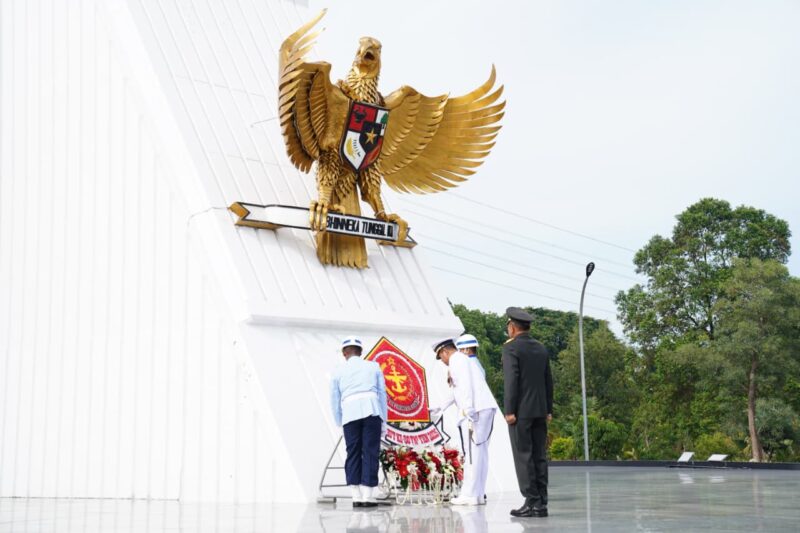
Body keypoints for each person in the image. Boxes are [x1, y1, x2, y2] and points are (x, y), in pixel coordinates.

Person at [430, 337, 497, 506]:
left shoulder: (456, 360)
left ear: (445, 351)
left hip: (475, 410)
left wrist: (468, 409)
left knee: (472, 453)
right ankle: (479, 494)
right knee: (480, 452)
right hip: (483, 408)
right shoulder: (465, 360)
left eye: (441, 357)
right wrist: (440, 407)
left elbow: (465, 386)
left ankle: (469, 494)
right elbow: (457, 389)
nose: (443, 362)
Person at [502, 307, 553, 518]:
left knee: (524, 456)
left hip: (521, 412)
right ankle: (541, 502)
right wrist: (548, 409)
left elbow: (512, 381)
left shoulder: (511, 349)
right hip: (540, 410)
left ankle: (531, 501)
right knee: (539, 456)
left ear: (512, 327)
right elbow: (548, 381)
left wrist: (510, 410)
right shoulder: (540, 348)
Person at [330, 336, 388, 508]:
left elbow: (334, 399)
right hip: (372, 410)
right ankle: (368, 495)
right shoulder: (373, 366)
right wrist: (383, 419)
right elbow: (382, 395)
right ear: (361, 352)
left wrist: (339, 421)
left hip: (349, 414)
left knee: (353, 452)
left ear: (344, 353)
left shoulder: (338, 370)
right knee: (370, 451)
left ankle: (355, 495)